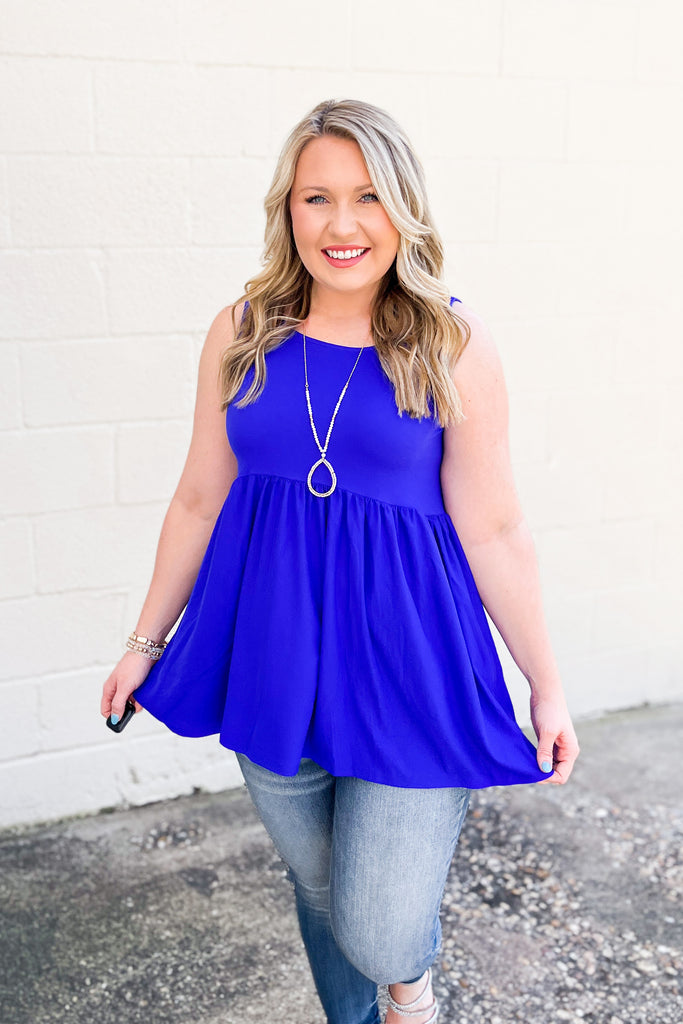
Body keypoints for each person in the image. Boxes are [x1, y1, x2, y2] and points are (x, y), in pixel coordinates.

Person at [101, 98, 580, 1024]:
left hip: (411, 667)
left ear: (404, 208)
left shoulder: (450, 341)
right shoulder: (243, 329)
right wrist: (143, 642)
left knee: (380, 926)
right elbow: (198, 497)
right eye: (316, 198)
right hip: (270, 656)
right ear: (287, 209)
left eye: (367, 197)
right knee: (322, 890)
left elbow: (494, 529)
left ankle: (410, 995)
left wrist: (545, 686)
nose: (341, 224)